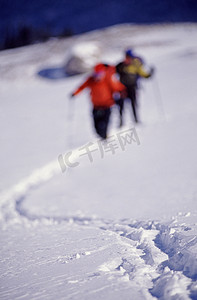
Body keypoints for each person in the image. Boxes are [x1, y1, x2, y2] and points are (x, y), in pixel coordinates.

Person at [71, 63, 126, 139]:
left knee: (104, 125)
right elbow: (82, 87)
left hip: (107, 105)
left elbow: (116, 86)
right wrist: (75, 93)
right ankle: (101, 136)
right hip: (96, 106)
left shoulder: (107, 79)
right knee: (96, 127)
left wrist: (122, 90)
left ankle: (105, 138)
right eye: (96, 74)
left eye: (100, 74)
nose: (98, 76)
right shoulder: (91, 80)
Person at [116, 49, 154, 125]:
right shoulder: (120, 66)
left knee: (133, 104)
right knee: (121, 105)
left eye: (129, 57)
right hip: (122, 88)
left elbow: (143, 74)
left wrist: (149, 74)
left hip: (132, 87)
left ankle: (136, 120)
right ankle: (121, 121)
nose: (128, 58)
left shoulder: (135, 65)